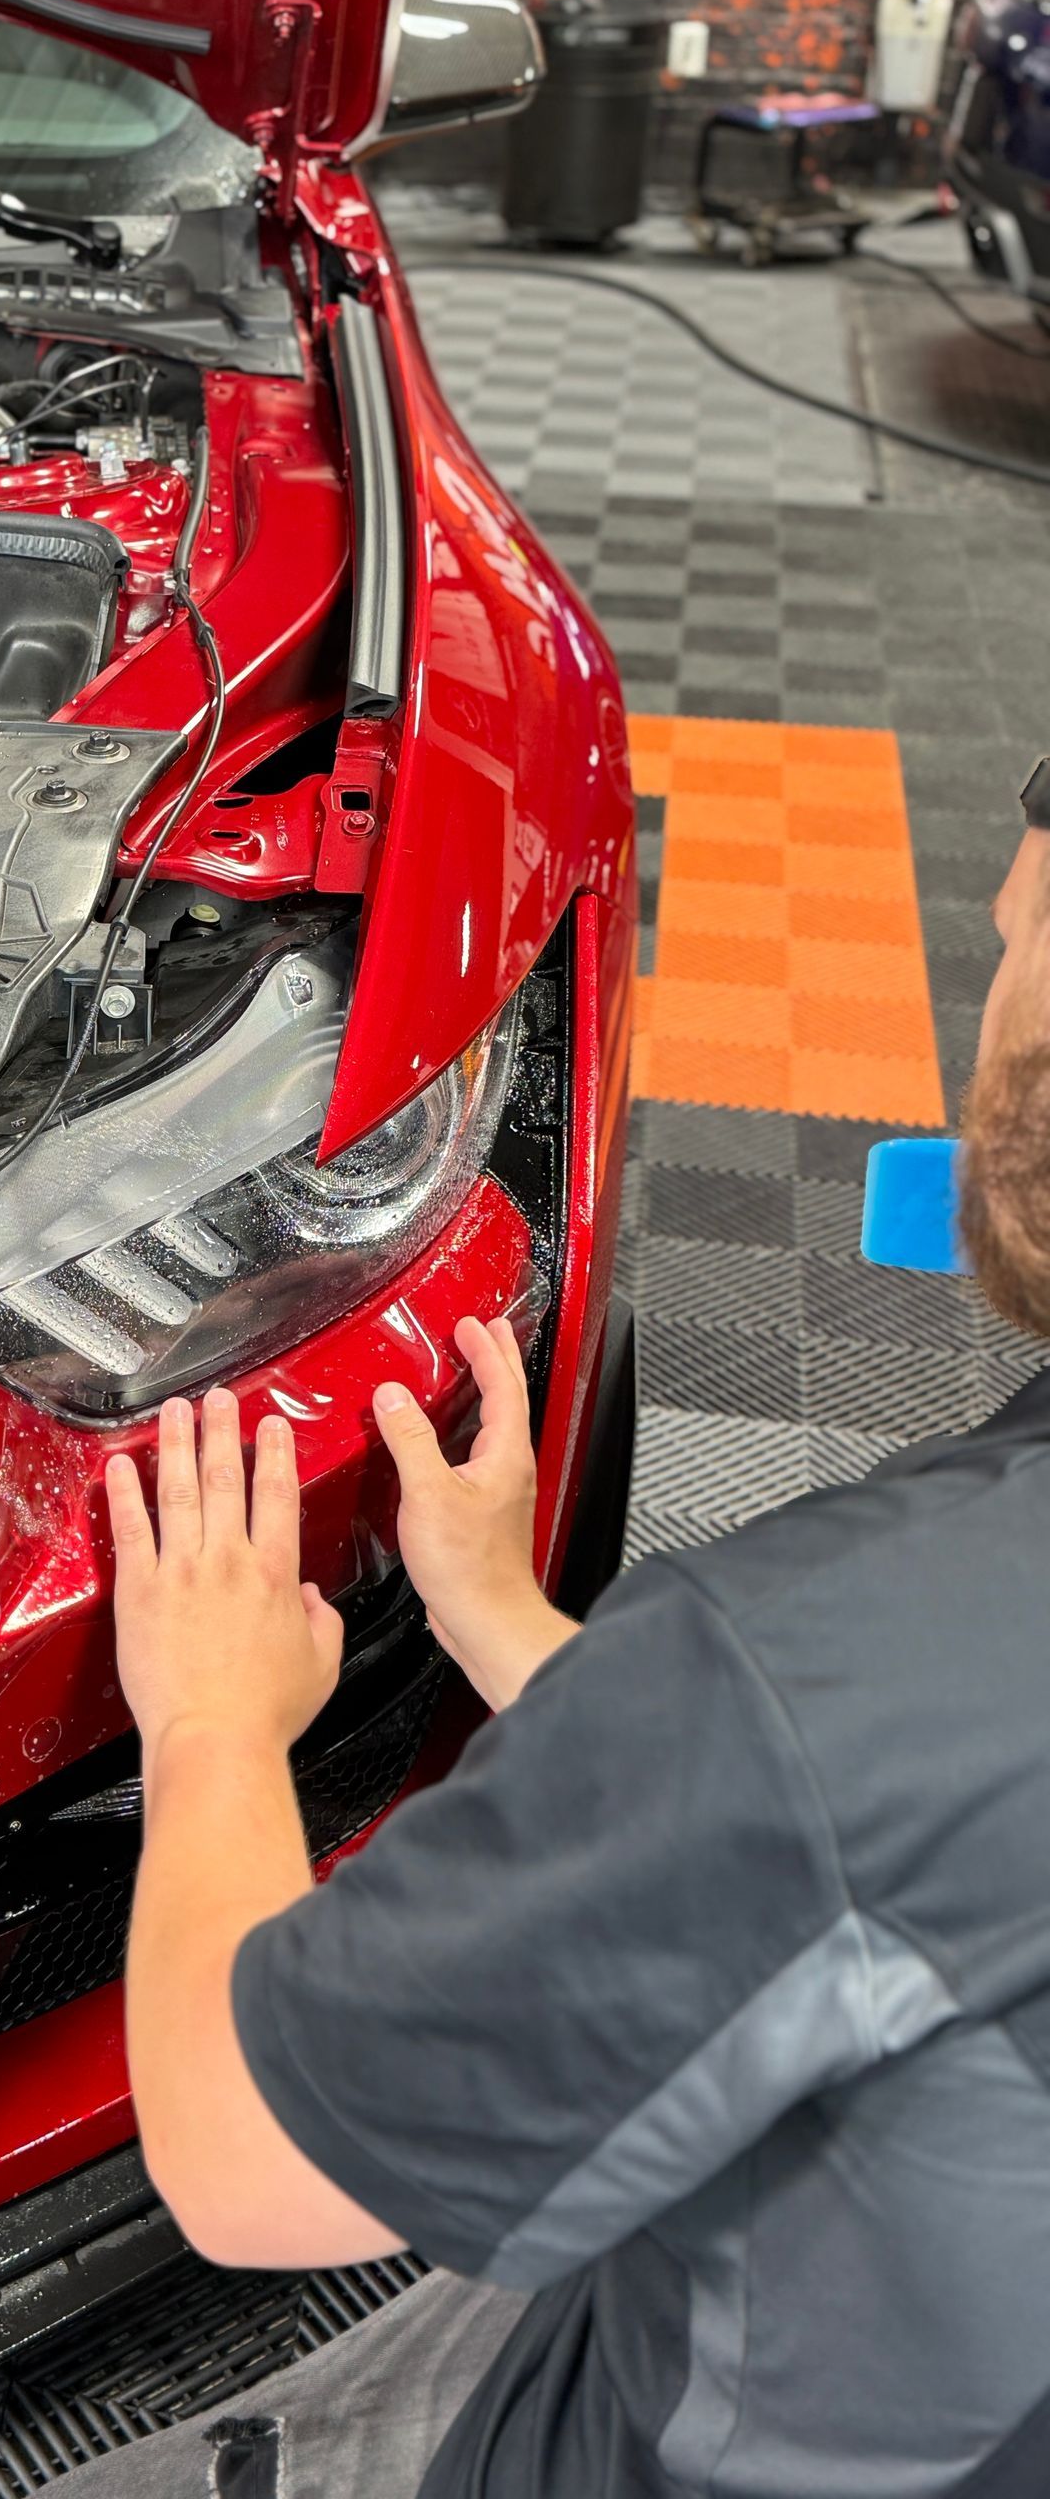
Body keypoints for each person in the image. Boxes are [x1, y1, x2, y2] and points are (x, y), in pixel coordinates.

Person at [68, 780, 1050, 2498]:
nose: (984, 931)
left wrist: (213, 1729)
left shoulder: (842, 1662)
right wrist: (505, 1618)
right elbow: (853, 1864)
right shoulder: (899, 1667)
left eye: (1033, 912)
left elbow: (243, 2167)